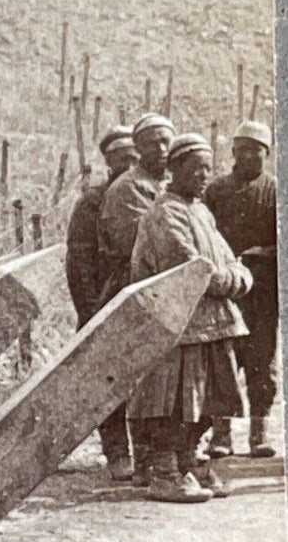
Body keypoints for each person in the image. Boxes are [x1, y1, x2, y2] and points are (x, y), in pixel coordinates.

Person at [127, 133, 252, 503]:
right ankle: (164, 469)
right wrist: (234, 279)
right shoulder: (164, 213)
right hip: (176, 325)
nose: (203, 175)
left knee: (211, 397)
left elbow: (230, 262)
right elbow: (192, 268)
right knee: (173, 399)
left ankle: (187, 459)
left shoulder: (200, 211)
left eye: (208, 168)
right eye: (195, 167)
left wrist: (234, 276)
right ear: (174, 169)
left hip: (211, 323)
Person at [97, 113, 175, 482]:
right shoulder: (127, 189)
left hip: (168, 294)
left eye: (166, 141)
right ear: (138, 148)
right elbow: (142, 249)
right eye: (152, 142)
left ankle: (160, 454)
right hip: (133, 293)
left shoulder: (175, 184)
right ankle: (127, 454)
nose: (161, 149)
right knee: (128, 376)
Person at [66, 124, 139, 478]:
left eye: (133, 156)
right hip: (101, 304)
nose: (129, 163)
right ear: (109, 163)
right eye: (121, 158)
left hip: (137, 303)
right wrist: (92, 310)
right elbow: (79, 261)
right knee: (108, 380)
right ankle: (116, 451)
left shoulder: (147, 195)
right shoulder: (92, 203)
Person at [205, 120, 278, 458]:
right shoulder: (216, 190)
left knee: (261, 359)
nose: (249, 157)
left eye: (257, 151)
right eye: (242, 150)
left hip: (263, 292)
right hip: (225, 292)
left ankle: (259, 432)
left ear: (267, 154)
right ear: (233, 152)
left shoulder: (276, 191)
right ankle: (220, 434)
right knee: (223, 359)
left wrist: (262, 254)